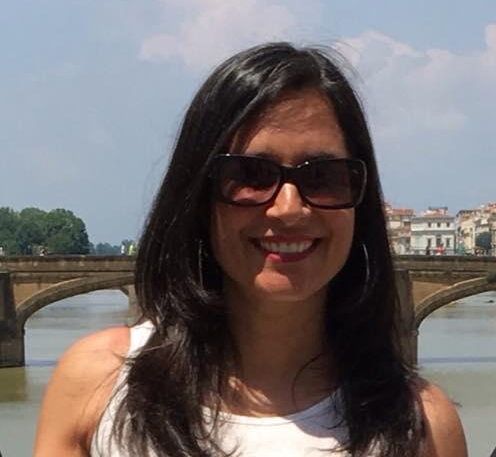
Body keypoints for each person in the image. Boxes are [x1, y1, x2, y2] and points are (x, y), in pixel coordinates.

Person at [34, 43, 467, 456]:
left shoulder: (424, 426)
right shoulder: (97, 383)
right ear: (198, 197)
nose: (289, 207)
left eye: (324, 177)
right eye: (251, 175)